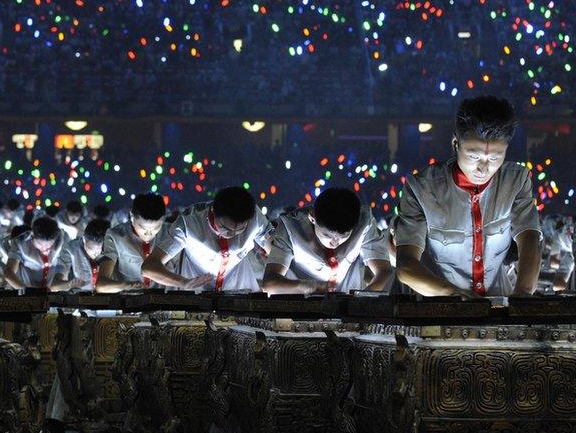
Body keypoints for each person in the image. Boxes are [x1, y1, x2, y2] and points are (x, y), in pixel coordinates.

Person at [395, 96, 542, 297]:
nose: (483, 167)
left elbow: (530, 238)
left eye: (494, 157)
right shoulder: (422, 189)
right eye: (474, 156)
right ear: (456, 143)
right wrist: (455, 296)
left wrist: (523, 293)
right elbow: (405, 266)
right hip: (438, 308)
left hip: (498, 302)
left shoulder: (516, 181)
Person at [262, 188, 393, 294]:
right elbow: (270, 283)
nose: (335, 242)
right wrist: (309, 286)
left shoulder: (364, 222)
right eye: (327, 235)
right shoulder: (291, 228)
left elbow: (384, 271)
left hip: (349, 305)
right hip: (302, 307)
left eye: (343, 236)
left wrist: (364, 297)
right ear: (312, 218)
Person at [142, 186, 272, 292]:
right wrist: (184, 283)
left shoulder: (255, 217)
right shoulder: (189, 222)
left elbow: (277, 250)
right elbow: (149, 267)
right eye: (225, 227)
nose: (232, 234)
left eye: (240, 230)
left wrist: (273, 257)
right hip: (197, 292)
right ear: (213, 211)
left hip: (240, 289)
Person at [96, 194, 172, 292]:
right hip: (129, 300)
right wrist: (126, 285)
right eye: (143, 227)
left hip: (163, 301)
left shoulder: (171, 233)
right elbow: (101, 285)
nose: (149, 233)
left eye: (156, 228)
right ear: (131, 215)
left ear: (163, 219)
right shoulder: (115, 236)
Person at [0, 217, 65, 289]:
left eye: (49, 245)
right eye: (40, 244)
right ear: (31, 237)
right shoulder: (9, 244)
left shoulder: (61, 240)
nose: (44, 248)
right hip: (17, 286)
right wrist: (6, 280)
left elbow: (62, 267)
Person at [53, 218, 110, 290]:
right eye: (91, 249)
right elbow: (54, 285)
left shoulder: (113, 248)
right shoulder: (70, 249)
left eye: (101, 249)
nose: (97, 253)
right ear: (83, 239)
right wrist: (69, 284)